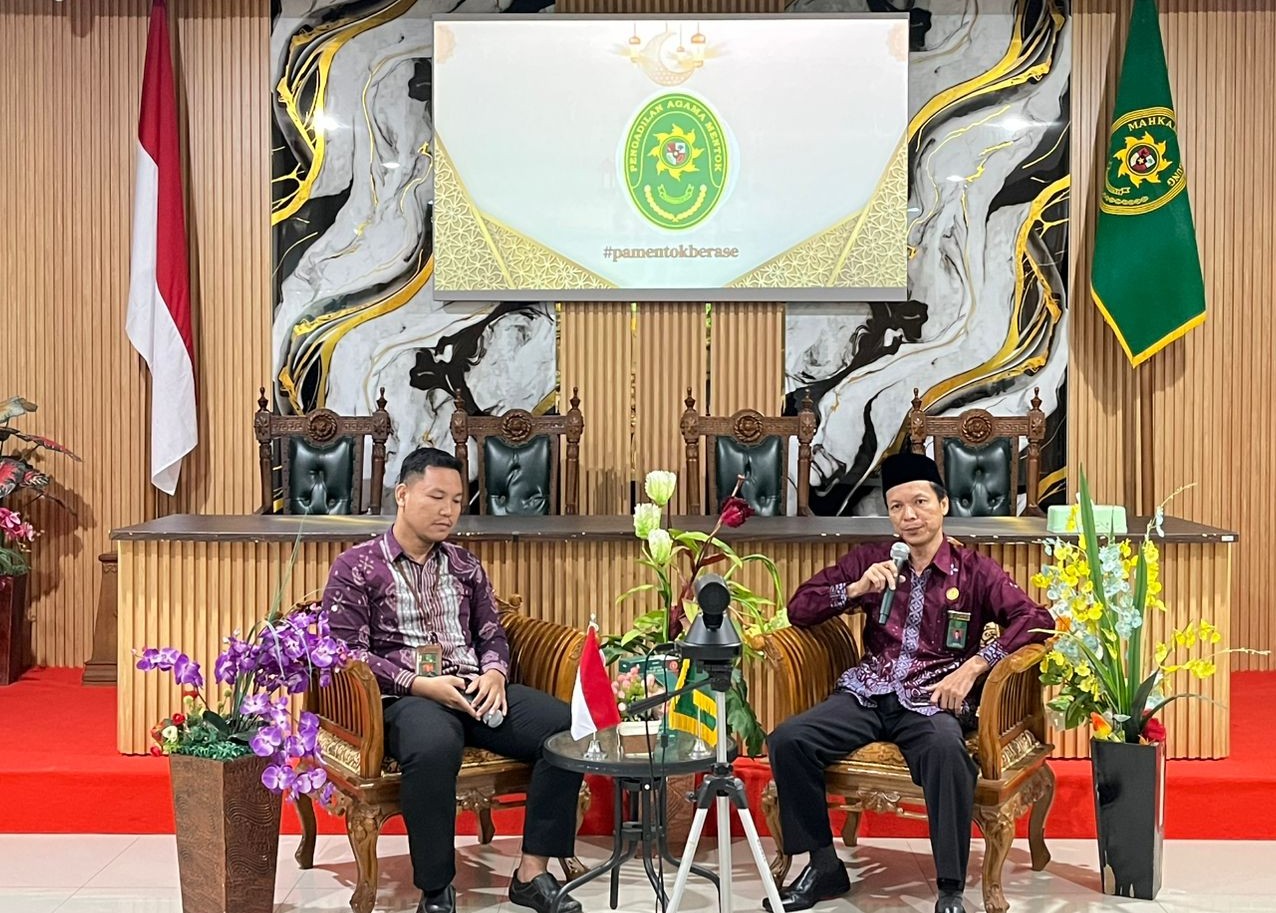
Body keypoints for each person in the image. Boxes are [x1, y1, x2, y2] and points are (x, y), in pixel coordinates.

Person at [765, 451, 1053, 913]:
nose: (909, 516)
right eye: (897, 506)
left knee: (946, 754)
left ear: (943, 505)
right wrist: (856, 589)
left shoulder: (974, 571)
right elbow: (800, 608)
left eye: (920, 502)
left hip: (931, 700)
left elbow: (1036, 619)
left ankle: (951, 887)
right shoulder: (873, 560)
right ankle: (823, 864)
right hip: (867, 693)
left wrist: (975, 666)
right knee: (788, 739)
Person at [323, 447, 584, 913]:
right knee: (433, 747)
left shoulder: (465, 565)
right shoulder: (356, 567)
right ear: (403, 495)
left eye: (458, 500)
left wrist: (495, 672)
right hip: (406, 698)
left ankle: (531, 873)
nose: (448, 511)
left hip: (473, 687)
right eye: (436, 497)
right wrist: (417, 683)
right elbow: (345, 652)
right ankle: (437, 890)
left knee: (568, 730)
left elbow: (492, 632)